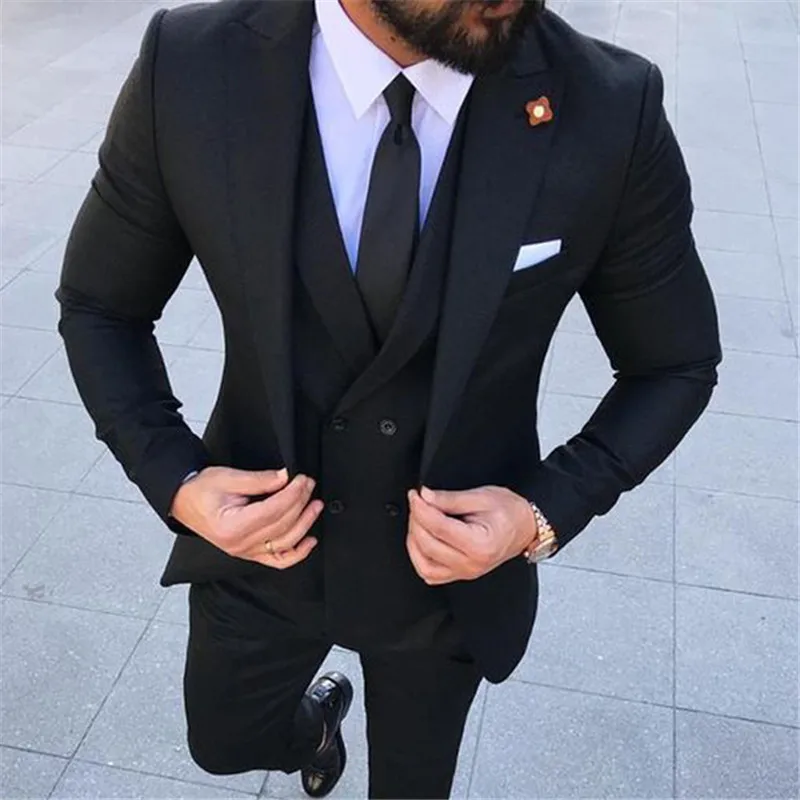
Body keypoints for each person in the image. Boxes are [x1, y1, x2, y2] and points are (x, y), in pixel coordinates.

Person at [56, 0, 722, 797]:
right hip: (261, 552)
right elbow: (101, 305)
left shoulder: (609, 103)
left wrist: (541, 513)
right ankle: (315, 728)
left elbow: (674, 363)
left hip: (451, 581)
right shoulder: (193, 64)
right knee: (222, 743)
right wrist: (177, 479)